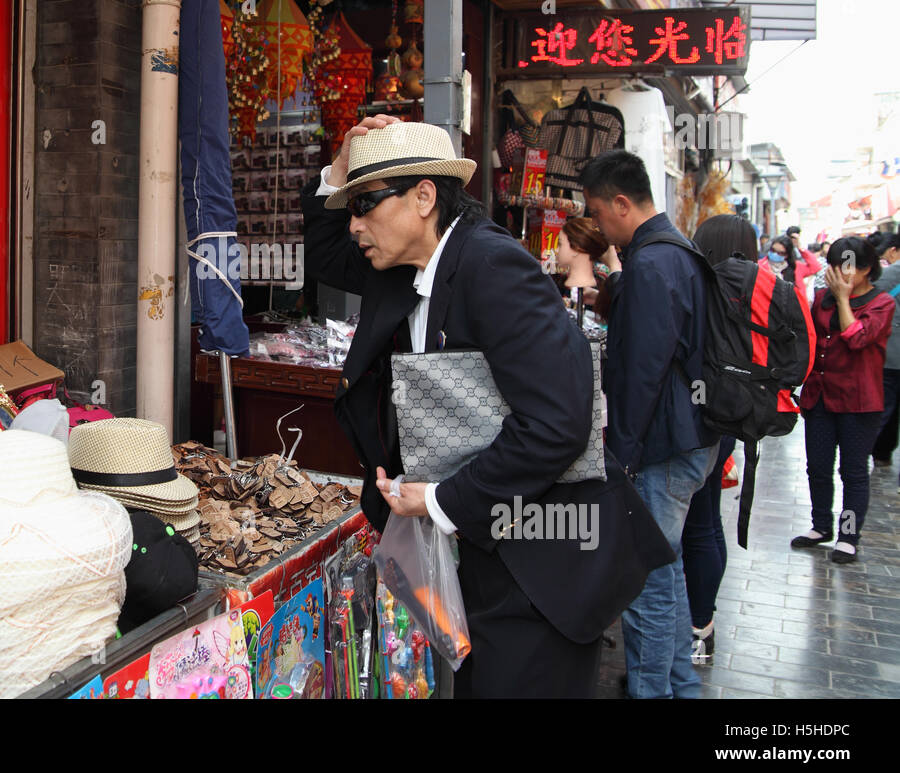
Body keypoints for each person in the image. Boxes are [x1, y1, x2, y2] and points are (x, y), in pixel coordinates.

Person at [302, 116, 671, 698]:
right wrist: (343, 167)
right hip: (482, 556)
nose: (354, 223)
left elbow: (558, 424)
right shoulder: (404, 268)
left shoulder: (491, 265)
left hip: (540, 566)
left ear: (425, 197)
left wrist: (443, 501)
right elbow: (325, 248)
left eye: (366, 202)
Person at [579, 150, 718, 699]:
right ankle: (680, 685)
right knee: (669, 567)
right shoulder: (675, 250)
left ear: (620, 203)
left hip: (664, 444)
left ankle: (653, 691)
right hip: (690, 437)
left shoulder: (653, 264)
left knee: (649, 581)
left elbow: (640, 373)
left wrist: (622, 457)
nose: (596, 224)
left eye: (596, 211)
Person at [681, 214, 757, 665]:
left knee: (698, 525)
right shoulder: (752, 290)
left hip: (703, 418)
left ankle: (696, 626)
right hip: (731, 417)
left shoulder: (712, 289)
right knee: (709, 522)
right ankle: (703, 623)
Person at [792, 237, 895, 563]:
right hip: (820, 396)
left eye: (847, 268)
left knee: (853, 472)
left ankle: (849, 535)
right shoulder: (821, 298)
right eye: (835, 267)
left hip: (858, 402)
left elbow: (857, 337)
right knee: (818, 467)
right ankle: (821, 525)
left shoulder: (882, 303)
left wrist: (842, 299)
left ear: (866, 270)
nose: (839, 274)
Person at [870, 234, 900, 476]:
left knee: (884, 406)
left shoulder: (887, 275)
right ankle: (883, 453)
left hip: (887, 354)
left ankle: (872, 452)